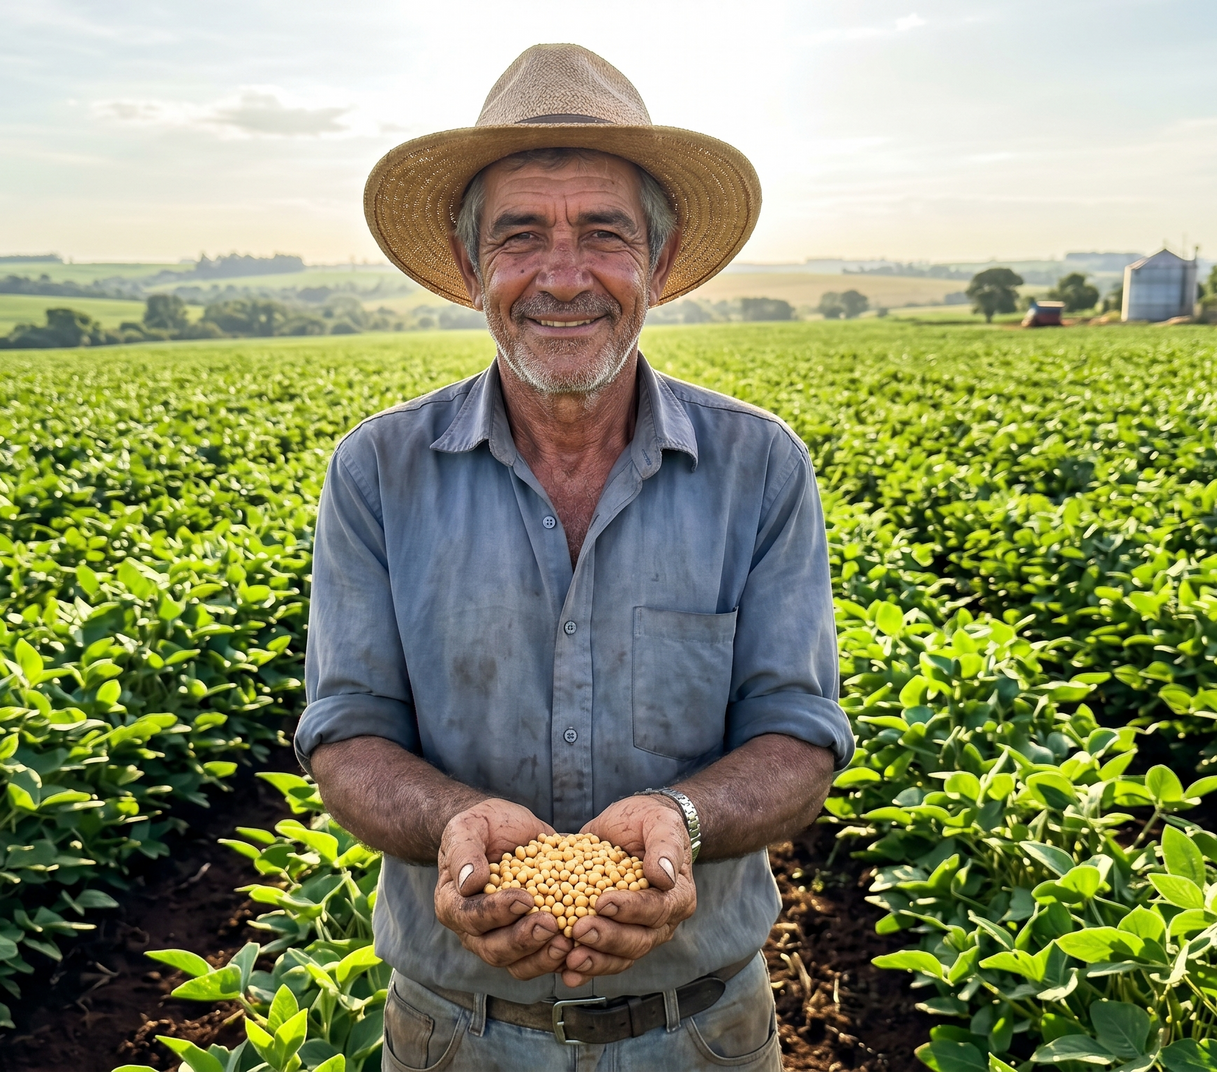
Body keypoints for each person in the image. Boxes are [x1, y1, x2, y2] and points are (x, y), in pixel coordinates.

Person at [298, 43, 850, 1072]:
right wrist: (456, 820)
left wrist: (681, 818)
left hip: (702, 1031)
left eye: (603, 232)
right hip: (456, 1032)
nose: (563, 275)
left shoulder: (758, 465)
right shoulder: (378, 472)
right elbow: (346, 735)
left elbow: (798, 732)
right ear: (471, 269)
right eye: (521, 236)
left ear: (661, 260)